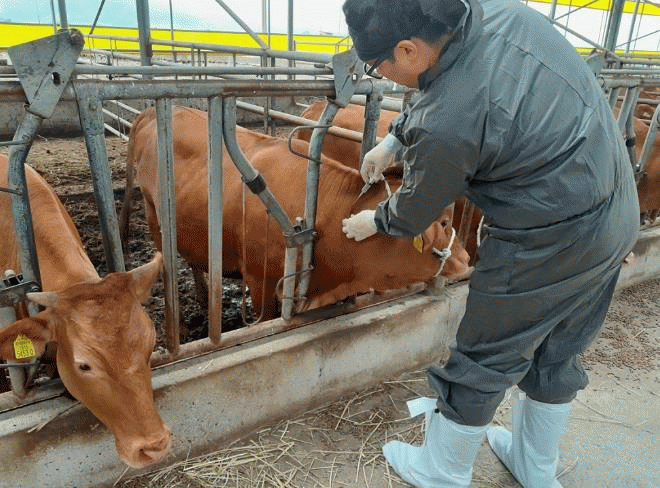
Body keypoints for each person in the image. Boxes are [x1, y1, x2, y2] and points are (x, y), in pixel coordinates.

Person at [340, 0, 640, 487]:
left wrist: (377, 219)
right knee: (557, 349)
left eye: (377, 66)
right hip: (615, 211)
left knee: (485, 355)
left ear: (408, 50)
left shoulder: (447, 122)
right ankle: (534, 466)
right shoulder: (501, 12)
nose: (381, 75)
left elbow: (418, 206)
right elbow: (452, 79)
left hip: (548, 237)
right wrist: (394, 139)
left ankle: (443, 470)